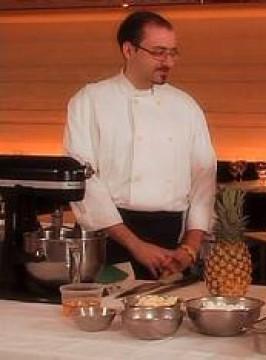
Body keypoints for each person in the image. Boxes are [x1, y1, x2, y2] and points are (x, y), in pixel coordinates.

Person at [64, 11, 217, 279]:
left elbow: (203, 180)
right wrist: (136, 246)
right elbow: (85, 180)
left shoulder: (186, 106)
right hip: (110, 239)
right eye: (159, 52)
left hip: (172, 242)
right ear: (128, 49)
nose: (168, 62)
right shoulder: (90, 101)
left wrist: (189, 249)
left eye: (173, 53)